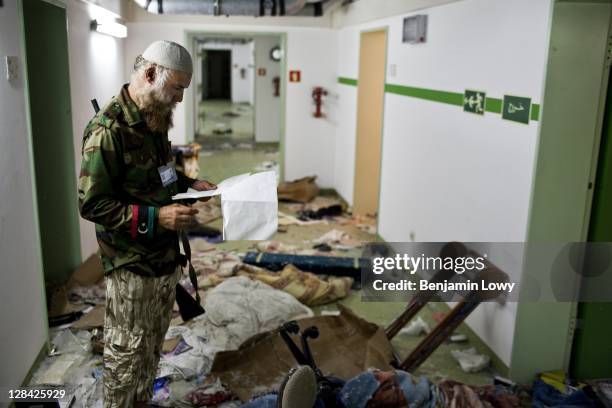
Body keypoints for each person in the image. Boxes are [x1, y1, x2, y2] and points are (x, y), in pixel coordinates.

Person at [78, 40, 216, 407]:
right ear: (151, 74)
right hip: (131, 266)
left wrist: (189, 186)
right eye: (177, 89)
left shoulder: (153, 119)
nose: (180, 99)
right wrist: (160, 217)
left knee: (151, 347)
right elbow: (92, 203)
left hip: (163, 259)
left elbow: (161, 176)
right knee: (127, 356)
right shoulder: (108, 130)